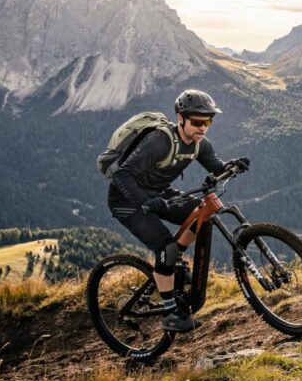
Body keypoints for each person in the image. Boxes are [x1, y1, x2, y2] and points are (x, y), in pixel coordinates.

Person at [107, 89, 249, 332]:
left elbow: (215, 167)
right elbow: (121, 174)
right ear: (180, 118)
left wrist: (231, 166)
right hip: (127, 200)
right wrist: (143, 200)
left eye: (207, 122)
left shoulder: (199, 144)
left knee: (202, 212)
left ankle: (174, 262)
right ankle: (170, 314)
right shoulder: (160, 141)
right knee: (165, 248)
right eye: (196, 122)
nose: (203, 127)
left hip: (159, 193)